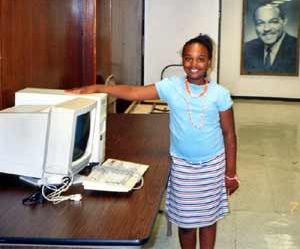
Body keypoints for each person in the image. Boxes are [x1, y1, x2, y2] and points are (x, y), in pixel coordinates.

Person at [67, 34, 238, 249]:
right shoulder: (171, 87)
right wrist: (97, 88)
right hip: (183, 166)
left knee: (208, 221)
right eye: (188, 58)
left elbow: (229, 135)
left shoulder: (220, 94)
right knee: (185, 223)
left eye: (200, 59)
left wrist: (230, 173)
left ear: (209, 62)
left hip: (212, 166)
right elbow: (134, 92)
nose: (194, 64)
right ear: (182, 61)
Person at [244, 3, 298, 74]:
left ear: (284, 22)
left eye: (273, 22)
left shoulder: (296, 47)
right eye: (260, 23)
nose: (266, 29)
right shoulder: (246, 48)